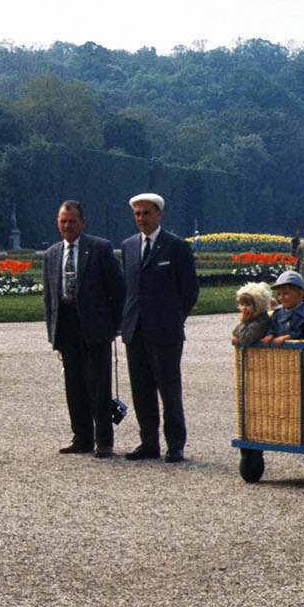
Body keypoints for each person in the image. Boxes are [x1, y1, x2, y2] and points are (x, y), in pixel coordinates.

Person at [43, 200, 127, 458]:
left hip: (95, 324)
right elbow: (49, 297)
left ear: (82, 222)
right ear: (58, 223)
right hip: (67, 323)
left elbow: (118, 290)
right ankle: (81, 437)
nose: (67, 225)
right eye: (63, 221)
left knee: (98, 384)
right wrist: (52, 332)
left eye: (72, 221)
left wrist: (115, 326)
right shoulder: (52, 254)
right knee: (74, 384)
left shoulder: (99, 249)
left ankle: (104, 440)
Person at [120, 192, 199, 463]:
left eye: (146, 213)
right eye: (137, 214)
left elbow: (189, 290)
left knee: (169, 390)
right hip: (136, 330)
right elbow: (127, 290)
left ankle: (175, 444)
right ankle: (148, 442)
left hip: (165, 331)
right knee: (141, 390)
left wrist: (175, 318)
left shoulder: (176, 246)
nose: (141, 219)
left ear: (159, 214)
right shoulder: (129, 246)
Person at [269, 271, 304, 344]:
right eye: (279, 294)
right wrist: (270, 334)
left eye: (285, 293)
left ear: (300, 294)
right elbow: (272, 327)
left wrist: (290, 336)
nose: (281, 298)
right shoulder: (277, 312)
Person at [231, 281, 274, 346]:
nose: (244, 308)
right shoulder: (251, 318)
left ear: (258, 305)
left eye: (248, 305)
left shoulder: (261, 321)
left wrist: (243, 322)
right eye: (242, 304)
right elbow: (234, 332)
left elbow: (246, 339)